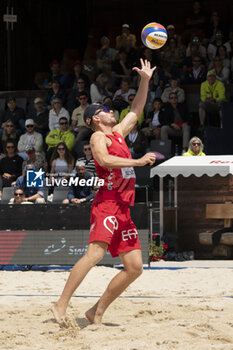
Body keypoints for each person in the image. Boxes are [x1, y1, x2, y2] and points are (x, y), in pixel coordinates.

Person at [51, 59, 156, 324]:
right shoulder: (99, 137)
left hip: (123, 207)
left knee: (134, 268)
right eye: (106, 110)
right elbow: (106, 161)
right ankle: (60, 304)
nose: (112, 111)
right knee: (95, 255)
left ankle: (95, 311)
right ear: (96, 118)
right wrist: (138, 161)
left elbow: (137, 108)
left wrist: (145, 79)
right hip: (107, 203)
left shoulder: (118, 132)